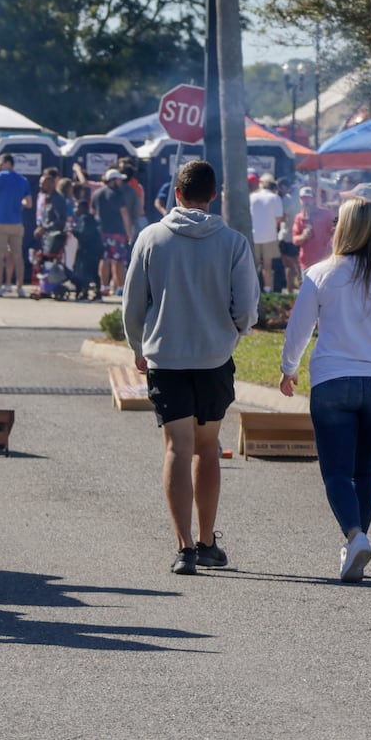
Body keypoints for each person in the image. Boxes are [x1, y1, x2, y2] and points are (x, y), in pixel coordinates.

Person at [121, 160, 258, 576]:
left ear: (176, 194)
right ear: (213, 195)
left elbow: (132, 304)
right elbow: (247, 306)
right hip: (214, 358)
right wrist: (235, 331)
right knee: (207, 448)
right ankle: (206, 540)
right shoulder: (233, 242)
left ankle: (183, 548)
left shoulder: (151, 238)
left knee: (176, 449)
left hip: (167, 357)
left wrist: (138, 347)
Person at [279, 198, 371, 582]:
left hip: (332, 383)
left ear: (342, 228)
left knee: (336, 472)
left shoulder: (320, 273)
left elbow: (299, 331)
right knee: (364, 472)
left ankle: (355, 537)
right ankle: (357, 541)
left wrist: (289, 369)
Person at [0, 154, 30, 297]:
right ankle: (19, 287)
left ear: (6, 163)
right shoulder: (23, 180)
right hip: (16, 222)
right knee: (18, 256)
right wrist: (18, 203)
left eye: (0, 163)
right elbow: (29, 203)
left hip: (0, 221)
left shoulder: (1, 177)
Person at [92, 168, 134, 295]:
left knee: (104, 260)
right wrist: (129, 233)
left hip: (101, 231)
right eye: (119, 179)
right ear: (113, 180)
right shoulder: (117, 194)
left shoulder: (97, 193)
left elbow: (92, 212)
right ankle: (120, 287)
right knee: (118, 261)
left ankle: (104, 286)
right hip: (117, 232)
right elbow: (124, 214)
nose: (121, 182)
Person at [249, 175, 284, 292]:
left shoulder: (252, 196)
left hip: (254, 235)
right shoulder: (275, 198)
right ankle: (267, 290)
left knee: (253, 265)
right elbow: (279, 218)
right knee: (267, 265)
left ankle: (251, 289)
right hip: (269, 235)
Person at [292, 187, 335, 272]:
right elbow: (295, 240)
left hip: (324, 261)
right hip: (307, 263)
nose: (306, 201)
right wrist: (303, 236)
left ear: (314, 199)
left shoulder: (326, 213)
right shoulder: (299, 217)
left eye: (308, 198)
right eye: (303, 198)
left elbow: (337, 225)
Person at [277, 179, 301, 292]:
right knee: (298, 264)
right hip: (299, 236)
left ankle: (290, 291)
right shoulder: (300, 195)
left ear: (283, 187)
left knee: (289, 266)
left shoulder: (287, 199)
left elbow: (283, 217)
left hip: (287, 236)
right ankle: (302, 288)